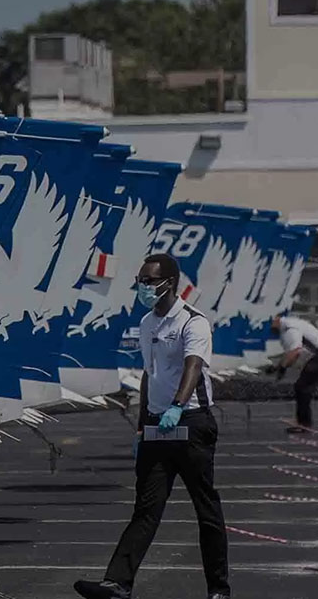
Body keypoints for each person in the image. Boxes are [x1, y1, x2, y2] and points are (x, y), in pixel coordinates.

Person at [75, 253, 230, 599]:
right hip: (158, 427)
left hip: (191, 422)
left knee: (205, 508)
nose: (142, 287)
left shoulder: (194, 322)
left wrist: (176, 406)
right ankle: (117, 583)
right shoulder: (147, 323)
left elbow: (192, 367)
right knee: (146, 509)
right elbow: (150, 374)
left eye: (148, 281)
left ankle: (219, 590)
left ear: (169, 283)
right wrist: (143, 425)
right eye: (140, 280)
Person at [272, 314, 318, 432]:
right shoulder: (292, 323)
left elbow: (295, 352)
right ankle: (303, 421)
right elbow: (291, 353)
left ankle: (304, 423)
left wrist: (283, 368)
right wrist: (279, 366)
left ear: (276, 319)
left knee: (302, 388)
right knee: (303, 387)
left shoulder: (290, 329)